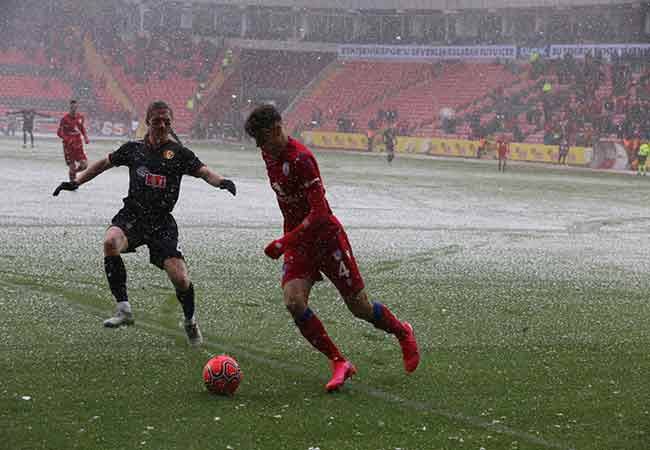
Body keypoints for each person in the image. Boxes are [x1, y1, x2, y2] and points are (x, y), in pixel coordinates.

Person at [244, 104, 419, 392]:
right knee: (293, 301)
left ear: (276, 130)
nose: (260, 147)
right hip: (299, 244)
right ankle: (339, 361)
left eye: (262, 139)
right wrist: (290, 240)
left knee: (359, 307)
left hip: (326, 240)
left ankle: (402, 331)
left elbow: (320, 215)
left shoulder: (303, 160)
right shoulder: (269, 153)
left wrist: (284, 241)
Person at [52, 100, 237, 346]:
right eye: (157, 121)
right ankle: (124, 309)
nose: (162, 125)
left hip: (162, 223)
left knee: (180, 279)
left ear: (171, 124)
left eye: (167, 122)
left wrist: (222, 181)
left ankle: (190, 321)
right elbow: (104, 164)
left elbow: (203, 171)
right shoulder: (133, 149)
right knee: (110, 243)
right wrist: (77, 181)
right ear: (148, 122)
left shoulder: (179, 153)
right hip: (133, 215)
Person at [57, 100, 90, 182]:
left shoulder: (80, 117)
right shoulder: (64, 119)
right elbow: (59, 132)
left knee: (84, 165)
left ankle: (74, 173)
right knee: (72, 165)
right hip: (68, 146)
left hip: (78, 143)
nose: (74, 109)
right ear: (70, 108)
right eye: (72, 107)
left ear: (77, 108)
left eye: (75, 107)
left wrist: (85, 137)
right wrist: (67, 139)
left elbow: (81, 127)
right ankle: (73, 183)